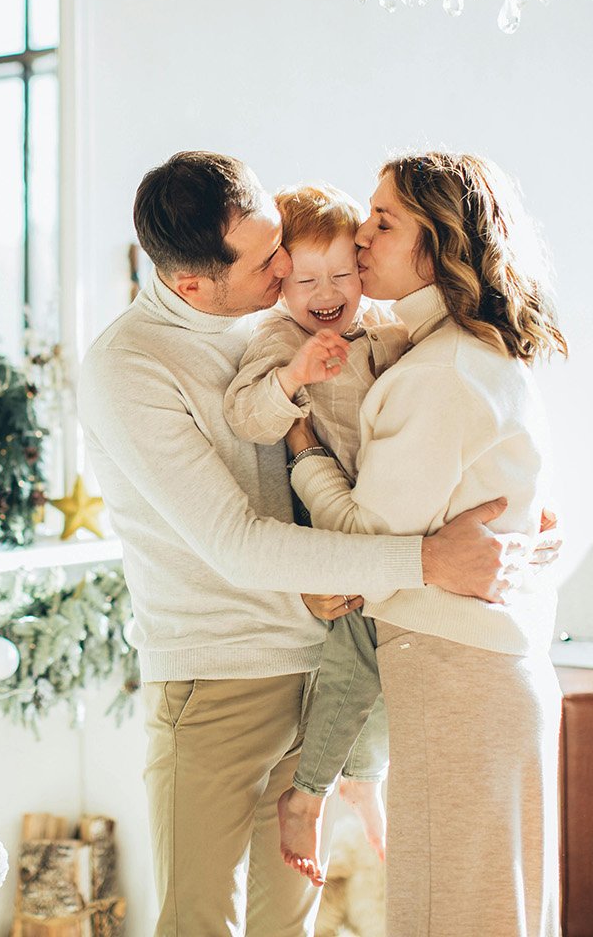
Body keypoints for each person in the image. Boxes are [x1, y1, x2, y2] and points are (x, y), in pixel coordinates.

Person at [76, 151, 537, 937]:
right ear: (192, 284)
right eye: (266, 260)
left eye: (278, 242)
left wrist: (516, 528)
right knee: (199, 923)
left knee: (290, 925)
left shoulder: (272, 318)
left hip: (318, 660)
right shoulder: (130, 366)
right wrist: (426, 560)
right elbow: (238, 543)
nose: (288, 265)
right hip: (218, 679)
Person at [285, 151, 568, 937]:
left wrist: (305, 453)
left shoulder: (443, 373)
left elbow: (363, 552)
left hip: (458, 682)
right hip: (481, 679)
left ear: (439, 243)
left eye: (384, 221)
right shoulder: (465, 356)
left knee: (453, 917)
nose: (360, 237)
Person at [223, 183, 407, 878]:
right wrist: (295, 376)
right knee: (360, 648)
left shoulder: (383, 325)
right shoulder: (278, 337)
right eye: (306, 279)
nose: (326, 292)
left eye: (342, 275)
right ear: (281, 283)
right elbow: (246, 418)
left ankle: (359, 776)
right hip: (328, 519)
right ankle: (315, 791)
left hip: (378, 509)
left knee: (388, 651)